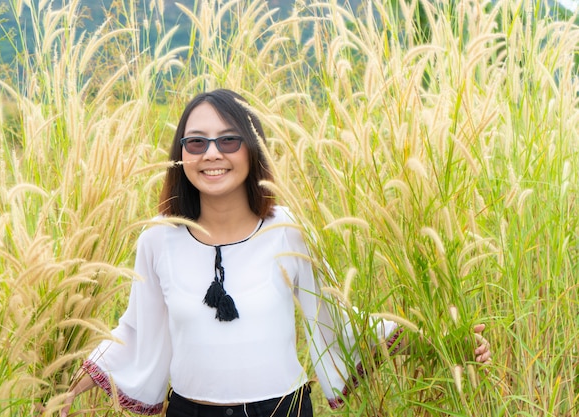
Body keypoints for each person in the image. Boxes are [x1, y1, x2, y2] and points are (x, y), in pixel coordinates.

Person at [56, 89, 492, 416]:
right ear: (180, 156)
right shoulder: (158, 239)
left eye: (229, 140)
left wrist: (442, 342)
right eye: (196, 143)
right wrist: (61, 390)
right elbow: (134, 331)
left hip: (281, 411)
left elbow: (338, 321)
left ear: (253, 148)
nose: (212, 154)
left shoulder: (288, 229)